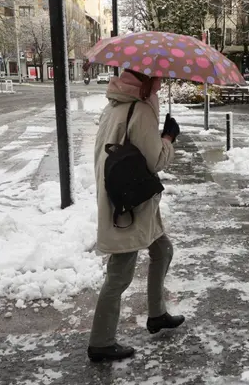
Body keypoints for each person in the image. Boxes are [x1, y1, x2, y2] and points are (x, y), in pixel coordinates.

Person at [88, 69, 183, 363]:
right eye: (157, 79)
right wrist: (168, 137)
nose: (160, 84)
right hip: (129, 205)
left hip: (126, 198)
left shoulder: (114, 105)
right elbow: (155, 160)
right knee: (119, 274)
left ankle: (157, 314)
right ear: (145, 81)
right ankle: (101, 342)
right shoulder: (140, 109)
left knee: (162, 249)